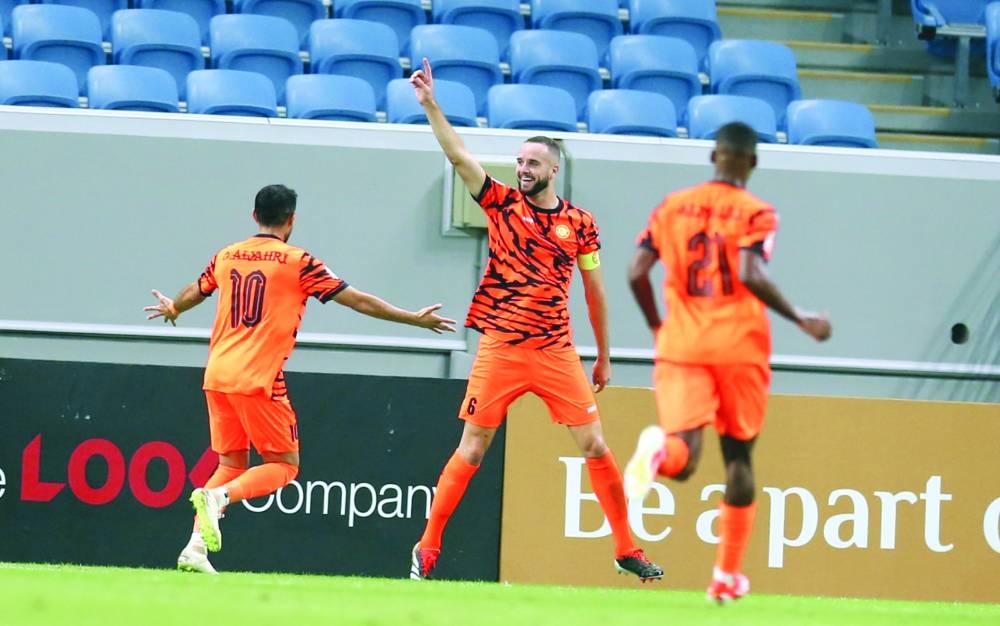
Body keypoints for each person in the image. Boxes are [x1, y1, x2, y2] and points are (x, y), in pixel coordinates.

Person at [406, 58, 663, 583]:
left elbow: (595, 291)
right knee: (472, 449)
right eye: (519, 161)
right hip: (500, 348)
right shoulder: (499, 204)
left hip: (555, 352)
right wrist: (432, 105)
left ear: (553, 170)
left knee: (595, 445)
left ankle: (625, 548)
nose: (522, 168)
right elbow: (458, 157)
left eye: (532, 163)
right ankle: (427, 547)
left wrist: (605, 356)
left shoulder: (580, 225)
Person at [144, 184, 456, 574]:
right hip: (258, 379)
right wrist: (413, 318)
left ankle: (194, 549)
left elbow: (197, 289)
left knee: (231, 462)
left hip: (217, 375)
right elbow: (356, 299)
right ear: (291, 220)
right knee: (284, 465)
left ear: (254, 216)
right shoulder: (298, 261)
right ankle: (219, 498)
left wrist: (174, 307)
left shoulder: (227, 255)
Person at [623, 122, 832, 603]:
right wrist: (801, 318)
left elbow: (636, 272)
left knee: (683, 458)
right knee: (738, 457)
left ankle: (658, 452)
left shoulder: (671, 206)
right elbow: (749, 272)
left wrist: (659, 326)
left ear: (713, 155)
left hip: (682, 344)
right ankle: (725, 576)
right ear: (752, 162)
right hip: (740, 347)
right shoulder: (756, 211)